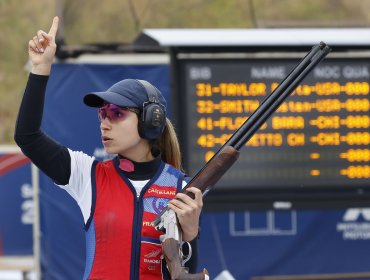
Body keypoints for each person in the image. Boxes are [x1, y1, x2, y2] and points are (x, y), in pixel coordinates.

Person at [14, 16, 203, 279]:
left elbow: (185, 275)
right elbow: (28, 137)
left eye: (116, 113)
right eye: (102, 113)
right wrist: (40, 68)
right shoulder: (88, 175)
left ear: (151, 120)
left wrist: (191, 234)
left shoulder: (180, 188)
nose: (105, 123)